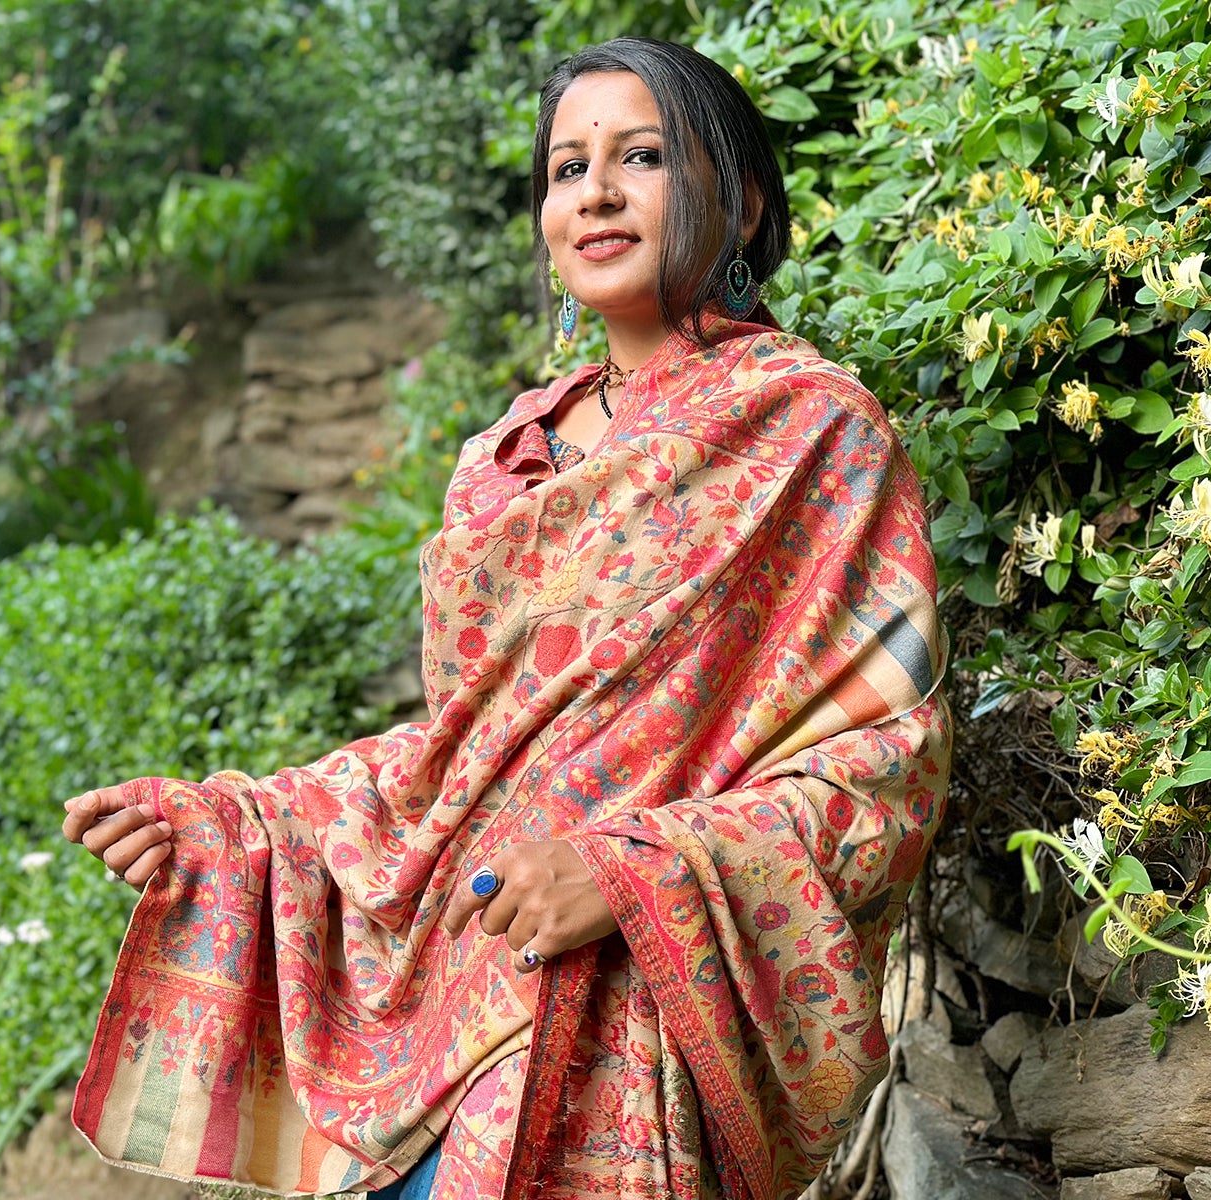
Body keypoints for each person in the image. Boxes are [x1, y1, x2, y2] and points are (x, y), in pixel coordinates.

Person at [61, 36, 949, 1200]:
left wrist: (631, 873)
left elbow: (883, 772)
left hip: (636, 1021)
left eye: (640, 156)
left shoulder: (812, 436)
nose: (594, 191)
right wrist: (239, 824)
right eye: (565, 167)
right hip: (451, 1002)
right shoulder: (503, 462)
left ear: (738, 206)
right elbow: (456, 768)